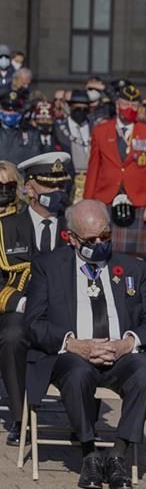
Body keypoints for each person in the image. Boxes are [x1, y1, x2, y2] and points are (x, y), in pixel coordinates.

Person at [23, 200, 146, 489]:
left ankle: (118, 454)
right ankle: (88, 452)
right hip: (72, 355)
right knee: (78, 375)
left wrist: (127, 343)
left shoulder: (132, 268)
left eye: (105, 236)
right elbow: (33, 323)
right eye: (90, 240)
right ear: (71, 238)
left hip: (119, 354)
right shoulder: (48, 266)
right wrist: (74, 345)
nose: (99, 244)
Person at [0, 155, 72, 444]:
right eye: (47, 186)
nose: (56, 193)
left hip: (68, 311)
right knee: (13, 335)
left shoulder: (76, 226)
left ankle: (83, 417)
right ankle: (21, 417)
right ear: (29, 188)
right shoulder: (5, 227)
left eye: (61, 187)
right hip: (21, 307)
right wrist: (19, 302)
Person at [83, 81, 146, 259]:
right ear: (117, 104)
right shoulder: (100, 131)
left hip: (139, 202)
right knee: (103, 251)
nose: (130, 108)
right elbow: (94, 169)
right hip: (105, 199)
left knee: (138, 257)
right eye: (126, 104)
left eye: (134, 105)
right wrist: (88, 202)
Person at [0, 91, 43, 166]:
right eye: (7, 109)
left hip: (21, 176)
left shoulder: (31, 133)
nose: (11, 112)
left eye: (15, 109)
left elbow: (36, 161)